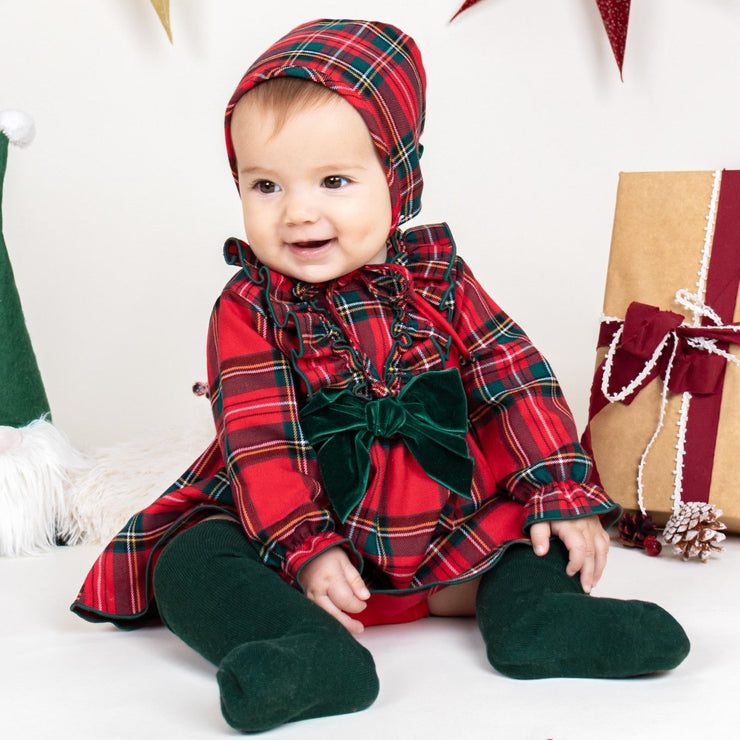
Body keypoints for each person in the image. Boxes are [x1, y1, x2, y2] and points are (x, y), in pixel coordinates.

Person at [71, 19, 690, 733]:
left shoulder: (439, 279)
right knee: (190, 558)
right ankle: (306, 650)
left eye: (334, 181)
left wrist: (560, 491)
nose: (298, 211)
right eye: (266, 184)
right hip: (306, 544)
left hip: (449, 530)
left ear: (397, 179)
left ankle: (538, 620)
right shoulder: (251, 305)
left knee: (532, 531)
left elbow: (514, 376)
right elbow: (259, 437)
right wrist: (305, 548)